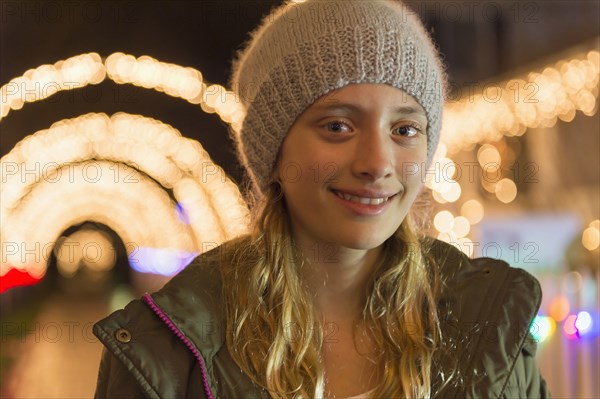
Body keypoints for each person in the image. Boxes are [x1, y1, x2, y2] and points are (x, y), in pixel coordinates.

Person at [93, 1, 550, 398]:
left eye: (405, 130)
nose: (377, 162)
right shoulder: (167, 350)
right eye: (338, 127)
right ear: (273, 152)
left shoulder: (492, 324)